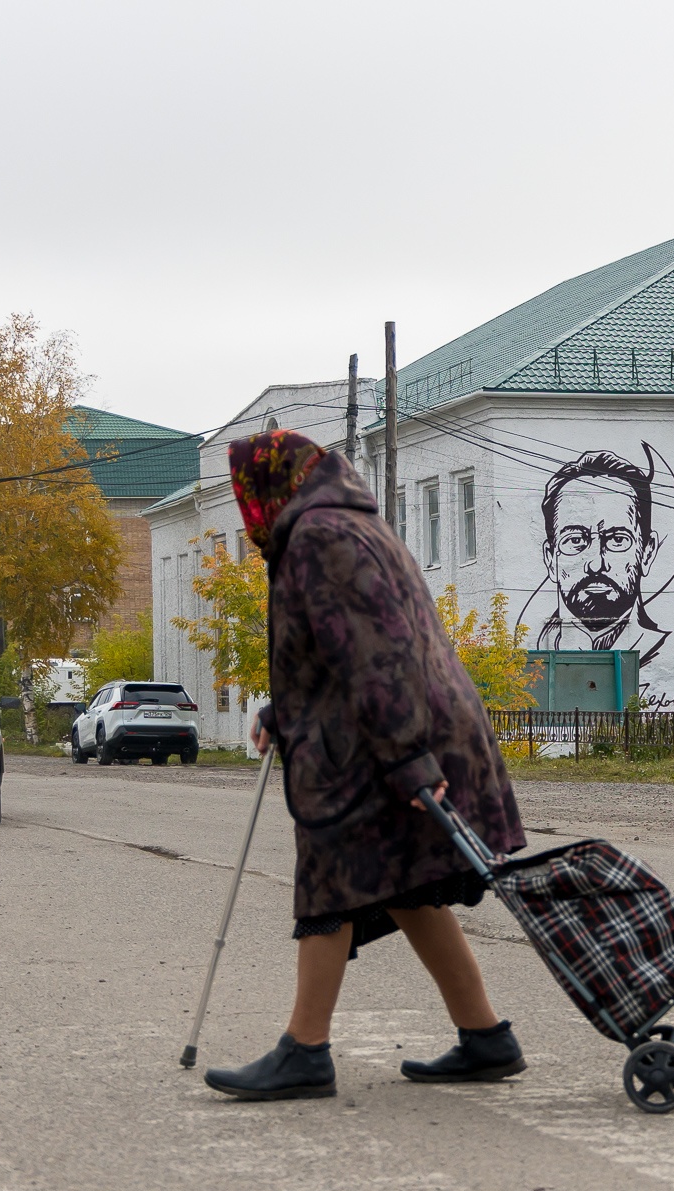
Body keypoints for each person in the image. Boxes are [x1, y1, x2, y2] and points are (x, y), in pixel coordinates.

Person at [202, 429, 529, 1102]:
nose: (247, 509)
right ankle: (485, 1036)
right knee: (406, 886)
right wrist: (283, 712)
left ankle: (305, 1050)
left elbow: (373, 653)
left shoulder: (319, 537)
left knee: (328, 884)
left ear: (271, 486)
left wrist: (409, 758)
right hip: (401, 731)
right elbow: (334, 650)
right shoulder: (356, 525)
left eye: (247, 493)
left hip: (384, 742)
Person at [529, 449, 670, 663]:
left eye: (617, 540)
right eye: (576, 540)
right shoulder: (531, 654)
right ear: (550, 558)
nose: (596, 564)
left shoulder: (660, 650)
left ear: (647, 552)